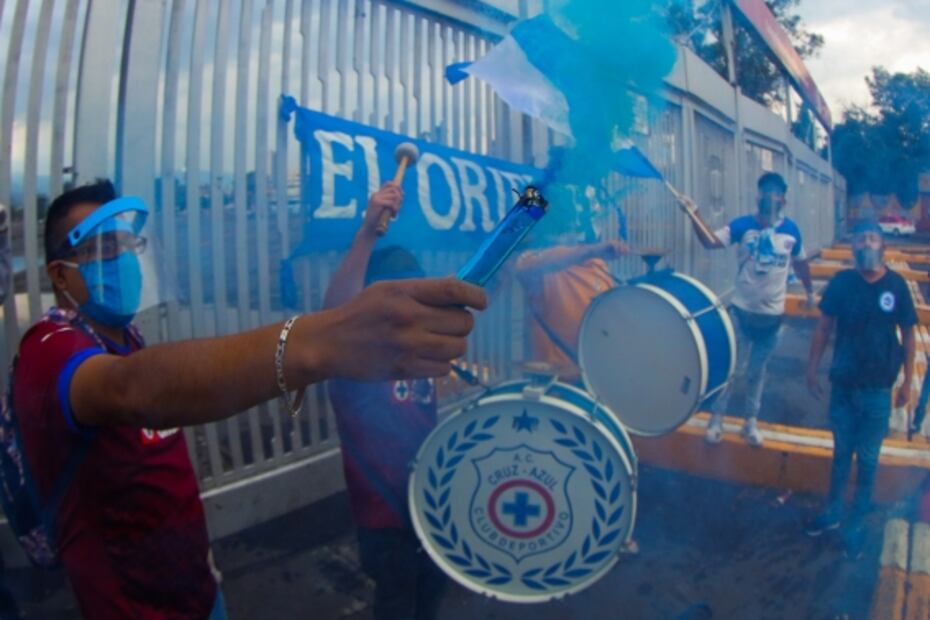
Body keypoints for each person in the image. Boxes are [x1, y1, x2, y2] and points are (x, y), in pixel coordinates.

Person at [11, 180, 486, 619]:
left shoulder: (125, 338)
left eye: (127, 244)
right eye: (102, 248)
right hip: (130, 606)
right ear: (60, 274)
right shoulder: (49, 349)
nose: (124, 258)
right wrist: (314, 343)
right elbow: (132, 389)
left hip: (194, 584)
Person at [323, 181, 449, 620]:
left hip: (429, 505)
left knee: (432, 593)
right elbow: (335, 311)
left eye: (413, 298)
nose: (407, 310)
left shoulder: (418, 351)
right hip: (384, 515)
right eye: (395, 298)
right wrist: (367, 233)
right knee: (397, 602)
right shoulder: (352, 356)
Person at [675, 172, 814, 446]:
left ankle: (751, 421)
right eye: (764, 191)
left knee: (757, 372)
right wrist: (694, 213)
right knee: (731, 369)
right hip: (740, 313)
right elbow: (710, 241)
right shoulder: (743, 225)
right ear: (757, 195)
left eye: (775, 192)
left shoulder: (791, 231)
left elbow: (800, 262)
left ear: (783, 198)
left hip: (771, 318)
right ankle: (717, 419)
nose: (769, 196)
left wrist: (810, 291)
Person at [804, 220, 916, 559]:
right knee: (841, 453)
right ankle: (833, 513)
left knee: (868, 459)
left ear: (882, 246)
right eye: (861, 238)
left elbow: (909, 334)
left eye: (873, 238)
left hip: (878, 390)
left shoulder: (895, 286)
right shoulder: (842, 283)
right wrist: (811, 369)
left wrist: (908, 382)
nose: (867, 243)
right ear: (853, 247)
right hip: (843, 385)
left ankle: (857, 522)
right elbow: (824, 328)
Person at [512, 185, 629, 382]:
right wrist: (592, 250)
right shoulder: (534, 261)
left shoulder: (598, 264)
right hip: (554, 380)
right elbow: (538, 264)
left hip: (596, 376)